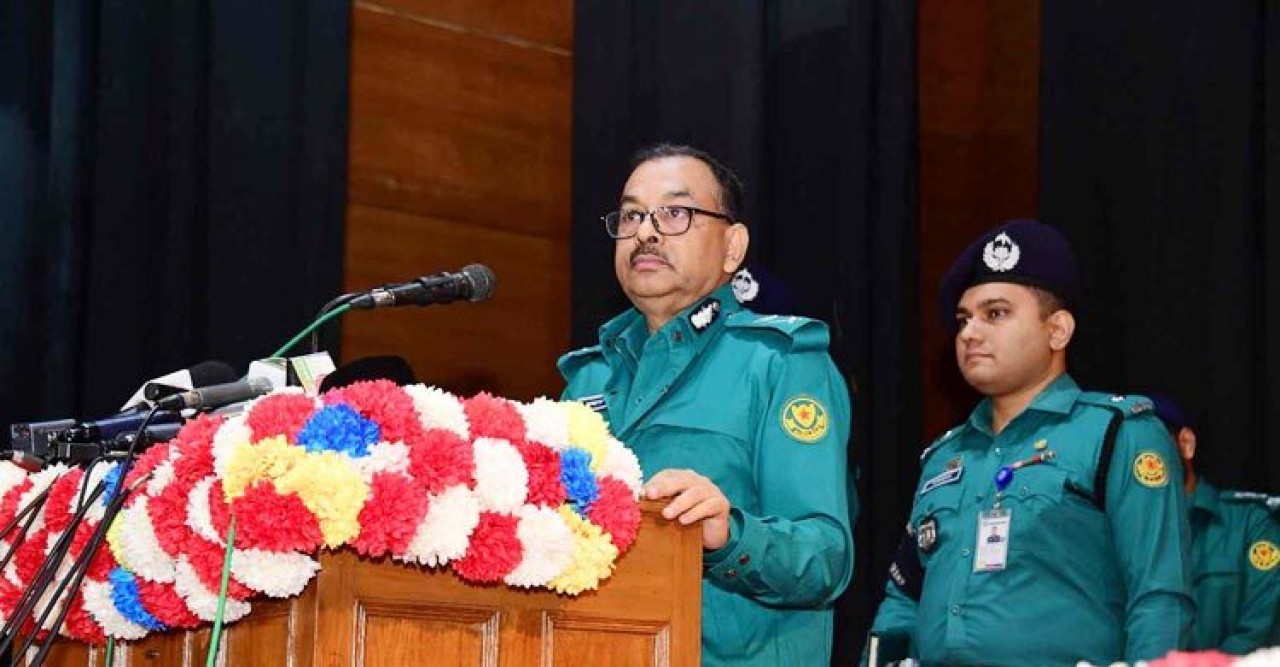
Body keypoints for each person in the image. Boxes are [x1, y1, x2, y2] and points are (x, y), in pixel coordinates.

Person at [558, 143, 855, 666]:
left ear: (732, 247)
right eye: (631, 215)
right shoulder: (589, 375)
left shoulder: (779, 363)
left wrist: (728, 534)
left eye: (674, 213)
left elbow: (824, 557)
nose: (646, 232)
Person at [868, 219, 1194, 665]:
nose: (969, 333)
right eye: (964, 320)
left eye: (995, 314)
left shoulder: (1119, 434)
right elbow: (902, 600)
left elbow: (1160, 595)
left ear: (1057, 330)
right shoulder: (944, 458)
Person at [1150, 394, 1280, 654]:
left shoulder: (1249, 524)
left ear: (1186, 443)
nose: (1136, 462)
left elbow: (1262, 627)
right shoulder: (1113, 534)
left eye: (1148, 448)